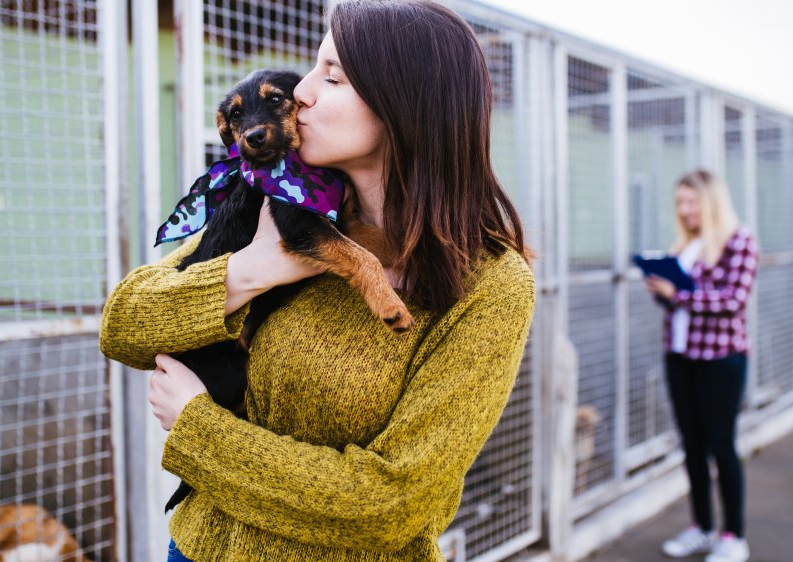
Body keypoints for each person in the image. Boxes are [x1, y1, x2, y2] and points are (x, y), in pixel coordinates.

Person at [98, 1, 536, 560]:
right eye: (311, 70)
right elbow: (122, 326)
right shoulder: (278, 207)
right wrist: (255, 268)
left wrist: (197, 426)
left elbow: (390, 503)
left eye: (332, 76)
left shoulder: (491, 284)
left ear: (406, 104)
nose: (301, 91)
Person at [644, 169, 758, 562]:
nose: (684, 209)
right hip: (680, 357)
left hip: (721, 359)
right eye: (680, 202)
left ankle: (734, 536)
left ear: (710, 202)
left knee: (721, 447)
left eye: (691, 201)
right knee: (692, 447)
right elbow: (677, 303)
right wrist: (661, 289)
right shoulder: (685, 244)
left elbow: (733, 301)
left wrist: (678, 293)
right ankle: (702, 528)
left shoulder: (739, 241)